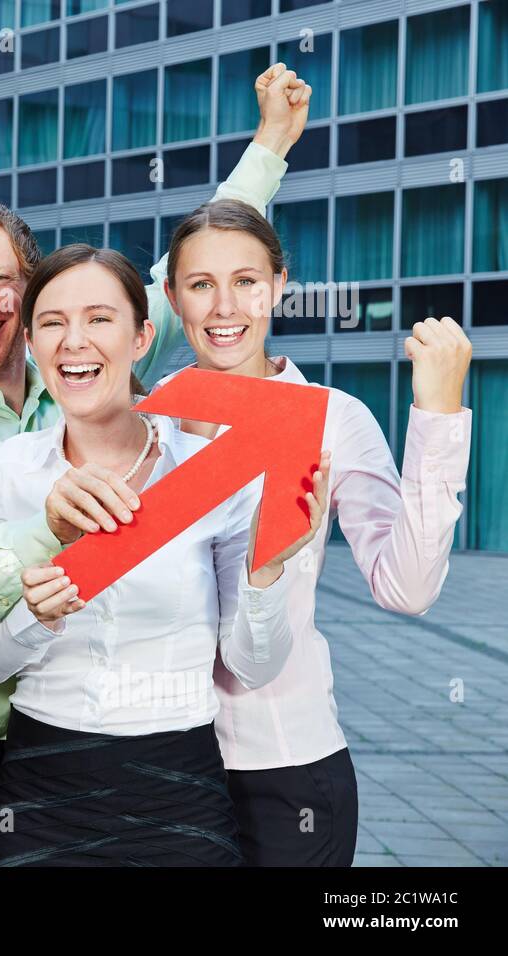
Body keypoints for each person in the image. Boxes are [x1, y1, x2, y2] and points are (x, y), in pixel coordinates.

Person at [0, 65, 312, 866]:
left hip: (141, 759)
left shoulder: (75, 376)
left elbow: (178, 276)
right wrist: (43, 533)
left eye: (1, 280)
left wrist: (272, 143)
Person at [0, 243, 327, 866]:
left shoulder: (212, 472)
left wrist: (266, 572)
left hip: (180, 791)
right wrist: (35, 617)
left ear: (141, 338)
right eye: (52, 322)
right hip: (41, 788)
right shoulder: (6, 470)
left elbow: (253, 667)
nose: (74, 341)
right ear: (30, 342)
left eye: (100, 319)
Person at [159, 198, 474, 866]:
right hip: (157, 762)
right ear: (172, 296)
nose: (225, 307)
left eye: (246, 281)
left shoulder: (334, 417)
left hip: (283, 765)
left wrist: (439, 415)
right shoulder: (144, 424)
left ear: (278, 286)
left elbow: (407, 587)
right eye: (200, 284)